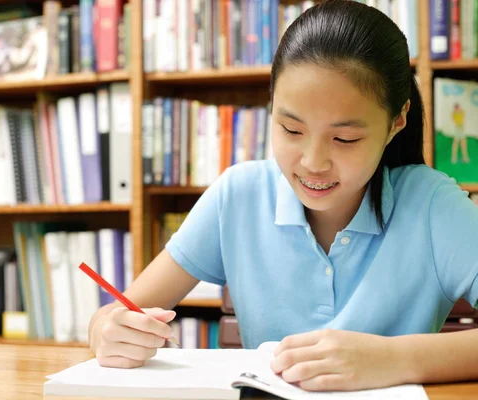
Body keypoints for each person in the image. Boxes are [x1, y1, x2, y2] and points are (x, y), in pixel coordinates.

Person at [88, 0, 478, 392]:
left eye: (345, 138)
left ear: (397, 121)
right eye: (291, 130)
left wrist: (391, 359)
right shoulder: (238, 196)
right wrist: (108, 329)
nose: (313, 162)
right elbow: (117, 313)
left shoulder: (432, 206)